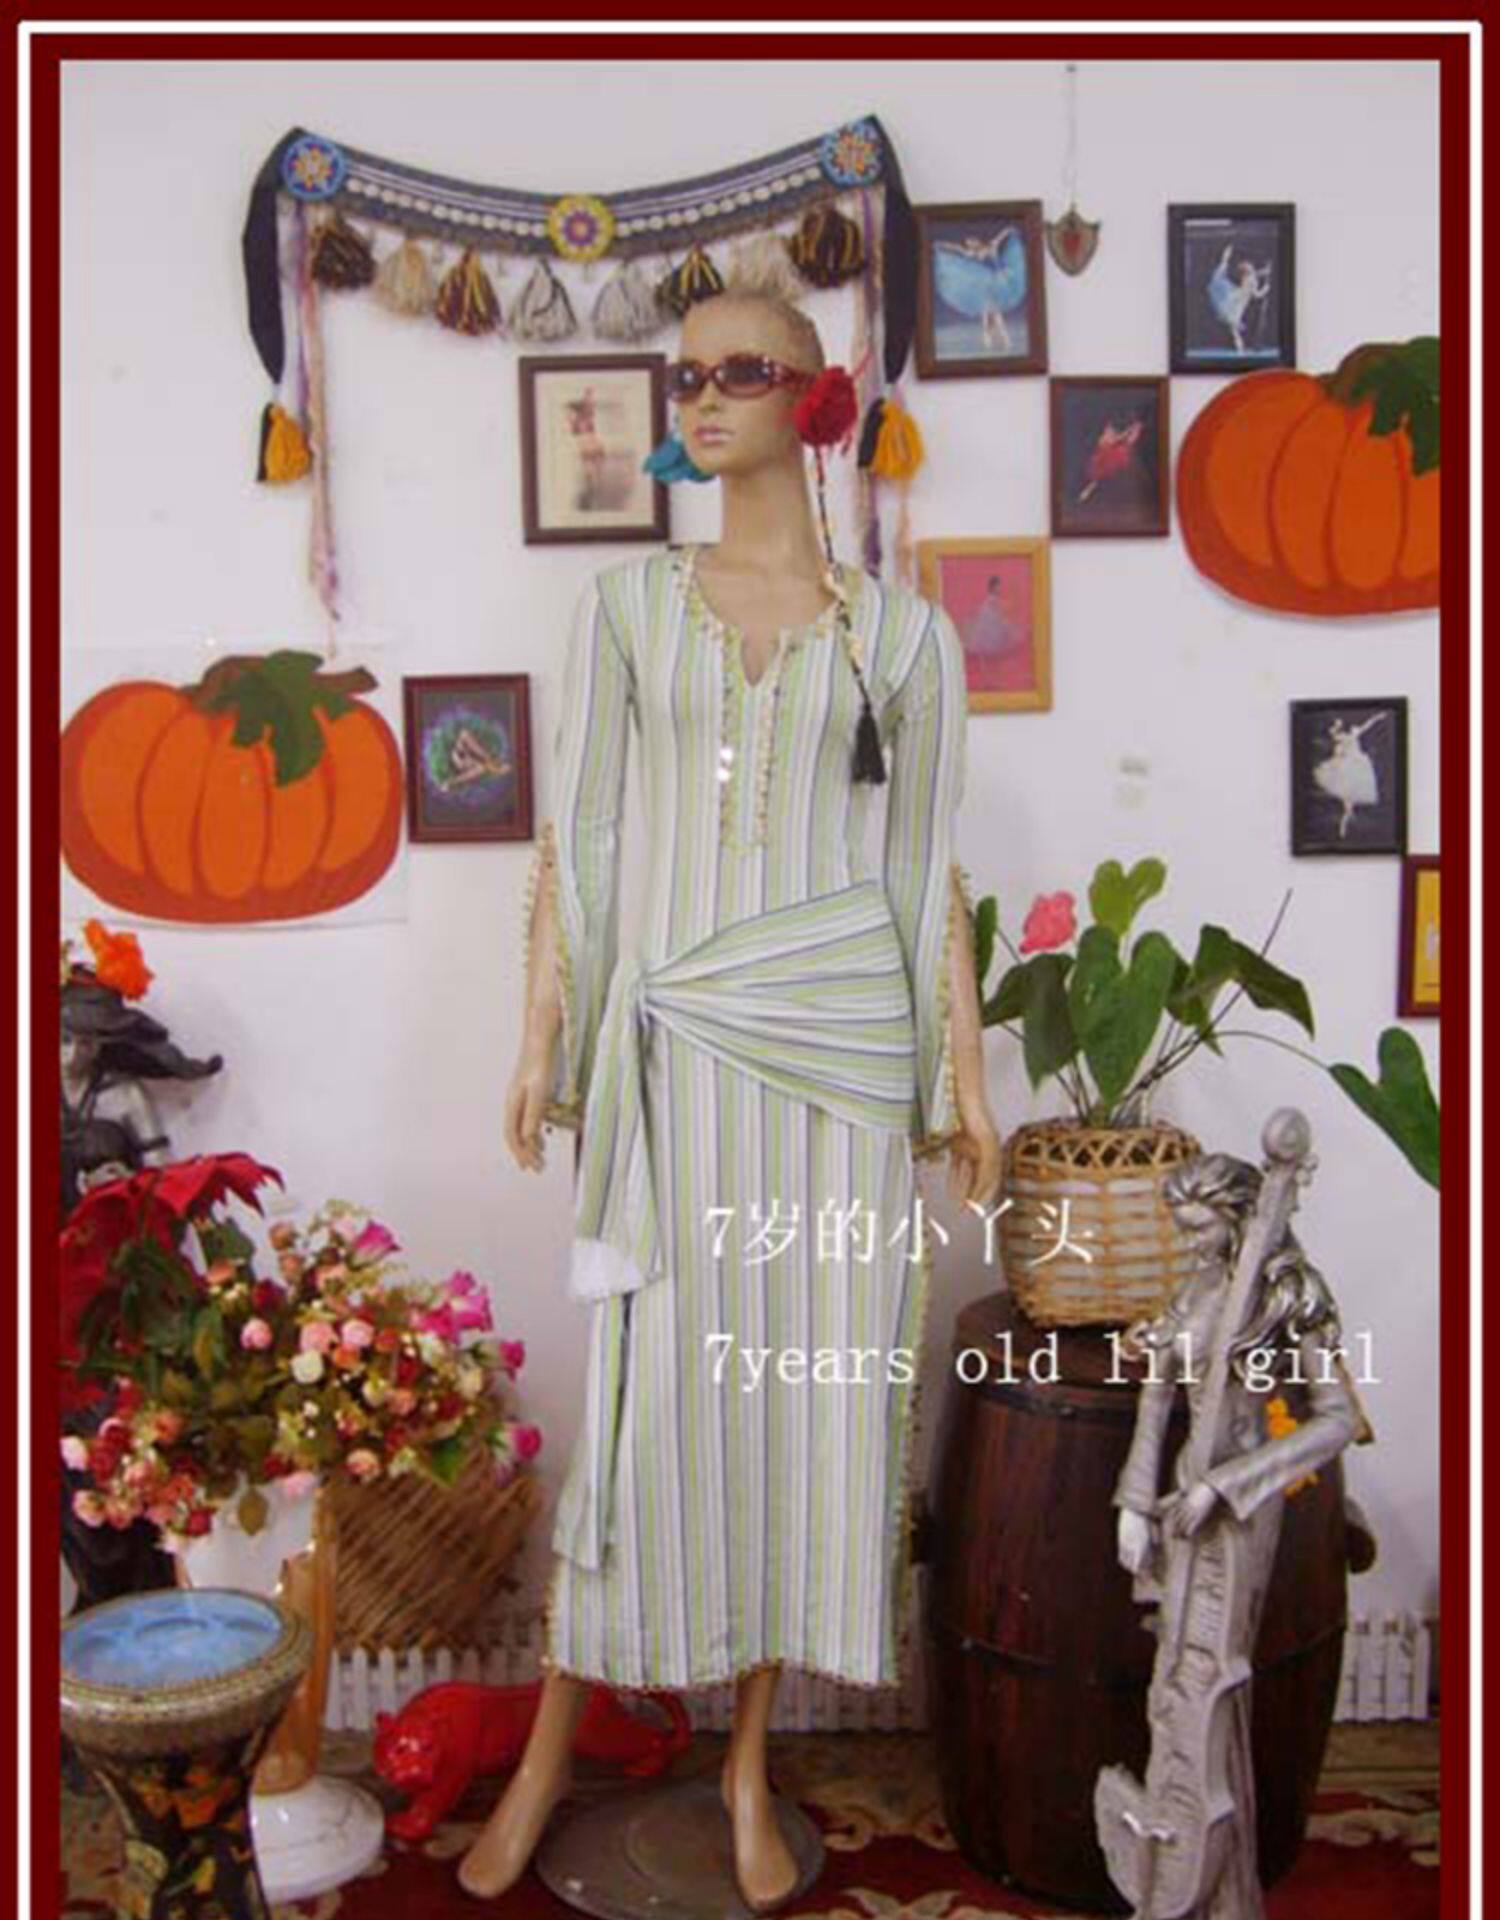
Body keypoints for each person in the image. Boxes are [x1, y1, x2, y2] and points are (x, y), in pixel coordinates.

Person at [461, 289, 1003, 1910]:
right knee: (652, 1417)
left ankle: (750, 1761)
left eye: (739, 373)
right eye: (684, 375)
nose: (701, 399)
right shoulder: (629, 610)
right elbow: (582, 841)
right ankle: (550, 1752)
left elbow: (924, 873)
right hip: (681, 1056)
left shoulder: (902, 639)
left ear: (815, 401)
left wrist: (963, 1079)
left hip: (838, 1074)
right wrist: (544, 1036)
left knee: (800, 1409)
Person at [1103, 1146, 1370, 1920]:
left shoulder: (1288, 1290)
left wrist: (1227, 1484)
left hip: (1238, 1511)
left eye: (1198, 1227)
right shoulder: (1197, 1286)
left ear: (1237, 1216)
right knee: (1175, 1686)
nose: (1188, 1242)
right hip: (1180, 1502)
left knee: (1212, 1685)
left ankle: (1220, 1890)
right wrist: (1134, 1503)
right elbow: (1158, 1394)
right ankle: (1194, 1878)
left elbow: (1336, 1420)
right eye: (1181, 1227)